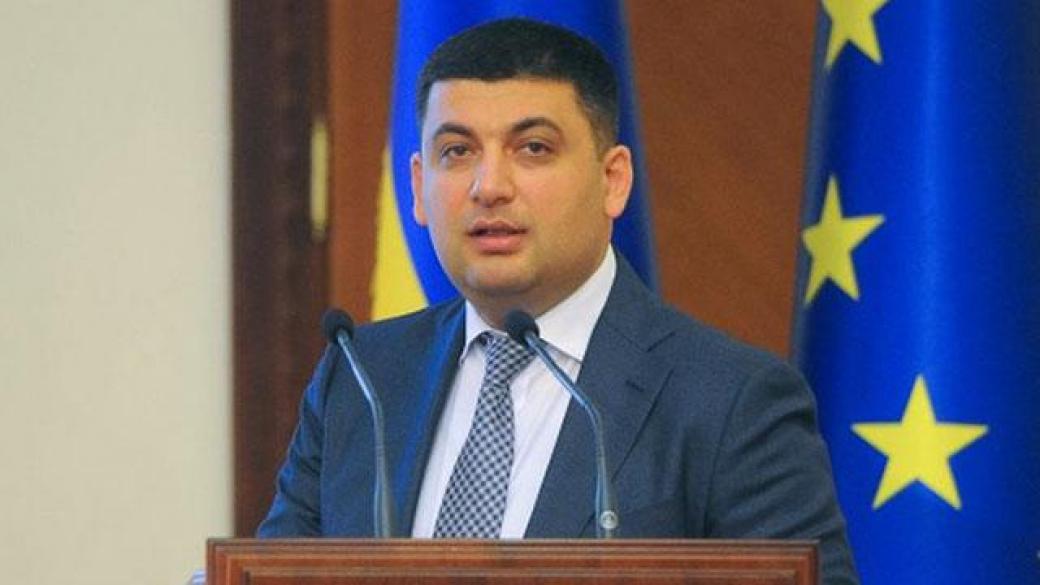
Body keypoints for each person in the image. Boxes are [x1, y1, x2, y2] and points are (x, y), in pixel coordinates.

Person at [258, 17, 859, 584]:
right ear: (417, 187)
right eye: (457, 152)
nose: (489, 187)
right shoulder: (362, 378)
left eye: (533, 149)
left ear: (612, 180)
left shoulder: (730, 401)